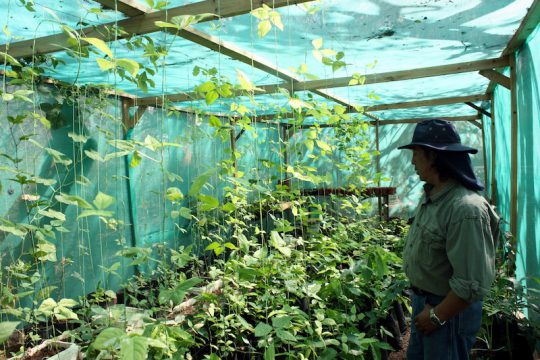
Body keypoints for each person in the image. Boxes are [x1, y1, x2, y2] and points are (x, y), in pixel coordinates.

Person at [398, 119, 500, 359]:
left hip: (447, 313)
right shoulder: (434, 196)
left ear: (432, 156)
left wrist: (437, 316)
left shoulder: (465, 209)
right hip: (427, 305)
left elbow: (471, 281)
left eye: (416, 153)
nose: (412, 161)